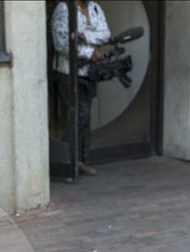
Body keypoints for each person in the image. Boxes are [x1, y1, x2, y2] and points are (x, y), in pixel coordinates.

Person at [50, 0, 110, 176]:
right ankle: (65, 158)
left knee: (84, 116)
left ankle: (77, 160)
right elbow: (61, 43)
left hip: (89, 71)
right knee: (78, 114)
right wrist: (89, 52)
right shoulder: (63, 8)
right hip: (68, 72)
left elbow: (106, 34)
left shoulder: (95, 8)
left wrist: (83, 36)